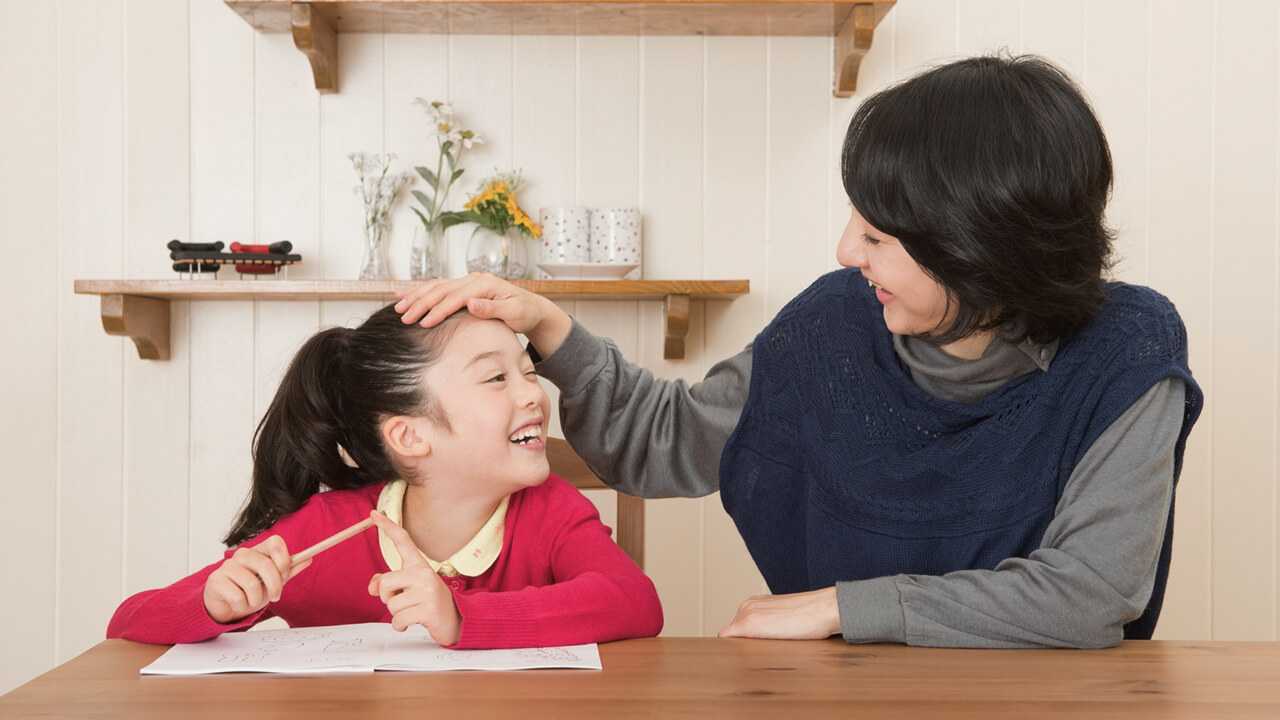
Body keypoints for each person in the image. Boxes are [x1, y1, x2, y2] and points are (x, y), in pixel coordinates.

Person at [392, 54, 1204, 649]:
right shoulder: (832, 325)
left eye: (879, 236)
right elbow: (664, 443)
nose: (847, 249)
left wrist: (843, 607)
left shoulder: (1126, 352)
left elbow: (1092, 592)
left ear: (977, 254)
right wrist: (549, 328)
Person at [107, 306, 663, 649]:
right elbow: (127, 622)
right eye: (496, 377)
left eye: (527, 371)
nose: (532, 393)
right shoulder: (327, 531)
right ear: (409, 436)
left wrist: (462, 617)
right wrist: (215, 603)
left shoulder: (551, 510)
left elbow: (633, 601)